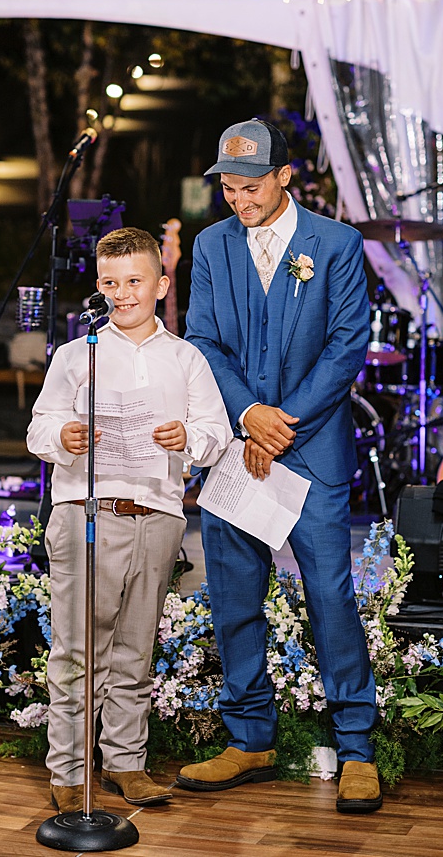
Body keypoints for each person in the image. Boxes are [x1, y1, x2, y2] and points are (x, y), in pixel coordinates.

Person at [180, 118, 381, 813]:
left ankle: (357, 746)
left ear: (285, 176)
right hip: (239, 454)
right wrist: (246, 417)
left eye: (252, 185)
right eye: (230, 188)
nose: (240, 200)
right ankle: (250, 740)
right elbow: (202, 339)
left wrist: (281, 422)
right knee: (234, 600)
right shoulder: (210, 246)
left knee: (330, 599)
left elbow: (348, 344)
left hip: (311, 453)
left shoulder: (337, 244)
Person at [27, 227, 232, 814]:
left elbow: (216, 434)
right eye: (111, 282)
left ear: (161, 284)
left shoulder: (185, 358)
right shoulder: (77, 353)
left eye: (135, 281)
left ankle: (125, 762)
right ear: (98, 285)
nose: (123, 293)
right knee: (77, 649)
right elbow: (39, 428)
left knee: (135, 649)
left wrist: (187, 436)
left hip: (159, 515)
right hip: (85, 512)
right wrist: (62, 435)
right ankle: (67, 770)